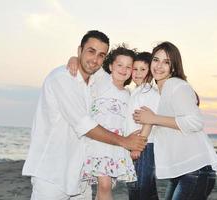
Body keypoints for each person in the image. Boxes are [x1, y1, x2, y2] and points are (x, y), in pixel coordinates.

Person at [22, 30, 146, 200]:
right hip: (52, 174)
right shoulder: (62, 78)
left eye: (101, 55)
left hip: (81, 177)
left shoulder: (95, 81)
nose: (95, 59)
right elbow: (83, 123)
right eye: (91, 51)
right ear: (80, 50)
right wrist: (124, 141)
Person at [133, 41, 217, 200]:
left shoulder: (176, 85)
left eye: (166, 62)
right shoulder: (161, 93)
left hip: (195, 170)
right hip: (183, 172)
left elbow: (195, 122)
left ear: (173, 67)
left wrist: (154, 118)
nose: (159, 66)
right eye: (156, 60)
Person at [81, 45, 137, 200]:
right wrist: (73, 59)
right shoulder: (102, 80)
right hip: (98, 142)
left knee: (105, 187)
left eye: (128, 67)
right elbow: (88, 63)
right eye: (119, 65)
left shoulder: (129, 95)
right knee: (105, 185)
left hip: (117, 146)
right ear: (111, 66)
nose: (123, 69)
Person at [126, 52, 160, 200]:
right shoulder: (137, 91)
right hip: (139, 145)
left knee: (139, 188)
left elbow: (149, 121)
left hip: (144, 146)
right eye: (135, 69)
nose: (138, 73)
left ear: (150, 72)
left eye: (143, 69)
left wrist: (137, 146)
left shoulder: (148, 92)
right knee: (145, 189)